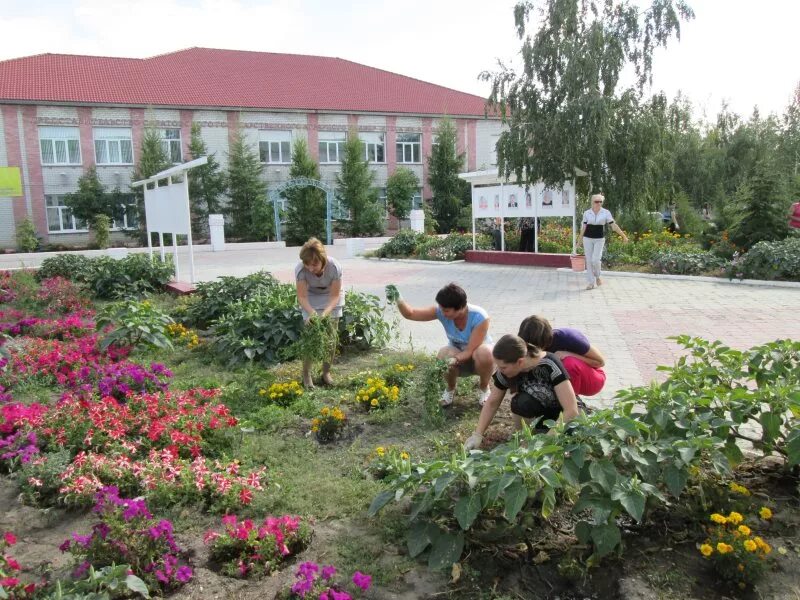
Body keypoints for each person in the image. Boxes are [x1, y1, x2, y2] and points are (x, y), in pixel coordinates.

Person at [463, 334, 582, 450]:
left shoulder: (549, 365)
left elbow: (571, 410)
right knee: (520, 402)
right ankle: (524, 436)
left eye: (503, 367)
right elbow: (492, 403)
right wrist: (477, 435)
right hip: (545, 417)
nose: (499, 370)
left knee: (574, 434)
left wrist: (545, 443)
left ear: (520, 362)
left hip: (566, 414)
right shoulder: (506, 371)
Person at [386, 283, 493, 406]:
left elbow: (469, 351)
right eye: (441, 309)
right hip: (458, 359)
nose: (442, 313)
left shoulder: (480, 317)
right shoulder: (441, 312)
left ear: (461, 307)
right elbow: (410, 314)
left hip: (479, 360)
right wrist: (398, 298)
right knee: (444, 353)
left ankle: (484, 388)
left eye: (446, 310)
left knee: (485, 353)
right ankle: (450, 389)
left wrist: (454, 359)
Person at [295, 237, 343, 388]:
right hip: (311, 298)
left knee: (330, 339)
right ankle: (306, 374)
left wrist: (325, 314)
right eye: (307, 264)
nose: (310, 268)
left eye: (314, 263)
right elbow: (302, 296)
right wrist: (312, 313)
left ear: (322, 259)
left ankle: (326, 373)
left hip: (331, 298)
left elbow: (335, 296)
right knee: (311, 339)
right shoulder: (301, 269)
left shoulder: (334, 267)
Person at [517, 315, 605, 397]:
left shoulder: (568, 338)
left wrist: (568, 354)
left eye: (536, 347)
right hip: (566, 379)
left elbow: (600, 362)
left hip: (592, 379)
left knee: (569, 363)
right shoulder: (527, 343)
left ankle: (571, 401)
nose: (534, 350)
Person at [578, 193, 629, 290]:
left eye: (600, 202)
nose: (598, 203)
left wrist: (623, 236)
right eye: (596, 201)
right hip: (587, 238)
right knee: (588, 261)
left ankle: (598, 276)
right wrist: (579, 241)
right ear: (592, 202)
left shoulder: (606, 212)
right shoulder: (587, 213)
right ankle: (591, 282)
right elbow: (583, 228)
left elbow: (614, 226)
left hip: (599, 239)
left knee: (595, 260)